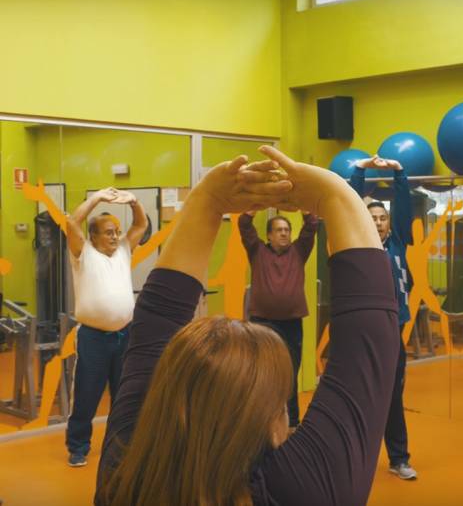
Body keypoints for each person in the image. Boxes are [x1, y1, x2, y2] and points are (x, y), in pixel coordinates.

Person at [96, 146, 400, 506]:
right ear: (273, 426)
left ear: (163, 395)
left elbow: (156, 319)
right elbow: (368, 342)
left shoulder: (127, 466)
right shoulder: (302, 489)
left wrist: (207, 200)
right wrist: (337, 195)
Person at [65, 187, 148, 468]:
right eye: (108, 232)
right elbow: (71, 223)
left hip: (125, 336)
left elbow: (141, 225)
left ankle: (122, 446)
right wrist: (97, 198)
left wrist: (134, 202)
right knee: (87, 396)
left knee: (124, 396)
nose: (115, 236)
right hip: (93, 339)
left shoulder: (124, 250)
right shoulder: (82, 252)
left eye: (116, 231)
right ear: (93, 236)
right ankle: (78, 447)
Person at [349, 155, 417, 480]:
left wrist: (399, 173)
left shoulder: (398, 243)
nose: (377, 222)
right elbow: (349, 203)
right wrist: (360, 170)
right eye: (371, 217)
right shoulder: (358, 243)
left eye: (381, 218)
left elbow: (403, 205)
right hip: (365, 334)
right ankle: (353, 460)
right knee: (359, 397)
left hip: (394, 333)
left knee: (392, 398)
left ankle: (399, 458)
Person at [238, 209, 318, 429]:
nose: (284, 234)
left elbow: (311, 225)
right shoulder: (257, 251)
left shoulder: (299, 251)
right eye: (279, 230)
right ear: (269, 236)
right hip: (262, 323)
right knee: (262, 375)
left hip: (291, 324)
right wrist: (253, 208)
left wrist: (304, 208)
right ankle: (260, 424)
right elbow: (244, 225)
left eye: (287, 230)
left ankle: (292, 424)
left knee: (290, 376)